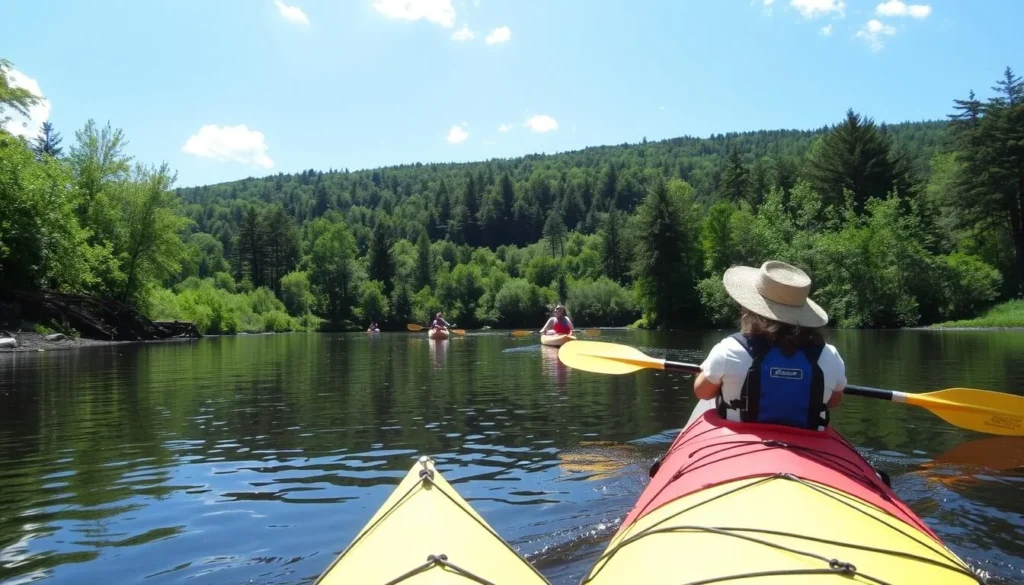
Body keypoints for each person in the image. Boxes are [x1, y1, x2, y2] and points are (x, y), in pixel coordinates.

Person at [692, 261, 846, 431]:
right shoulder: (830, 355)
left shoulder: (729, 349)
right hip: (807, 445)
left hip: (742, 444)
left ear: (751, 308)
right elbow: (834, 401)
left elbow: (703, 393)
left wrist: (705, 371)